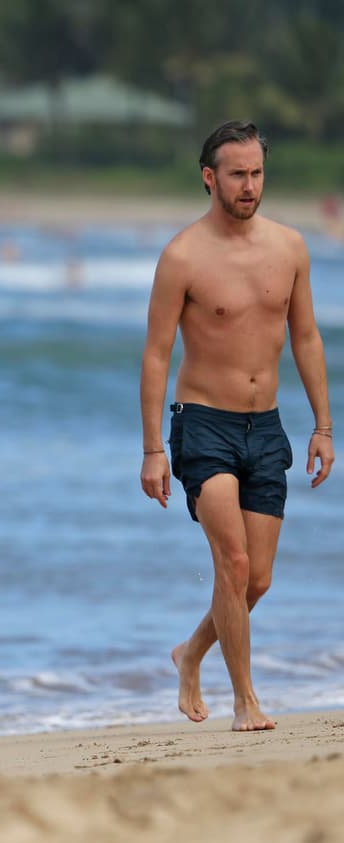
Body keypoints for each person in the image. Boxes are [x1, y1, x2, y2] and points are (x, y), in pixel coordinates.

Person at [139, 121, 333, 732]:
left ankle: (191, 652)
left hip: (266, 426)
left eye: (257, 173)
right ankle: (245, 699)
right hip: (203, 425)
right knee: (234, 562)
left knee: (259, 579)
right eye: (237, 175)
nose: (250, 186)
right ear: (209, 178)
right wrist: (152, 450)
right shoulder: (183, 257)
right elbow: (155, 355)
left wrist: (324, 426)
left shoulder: (290, 248)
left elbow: (305, 337)